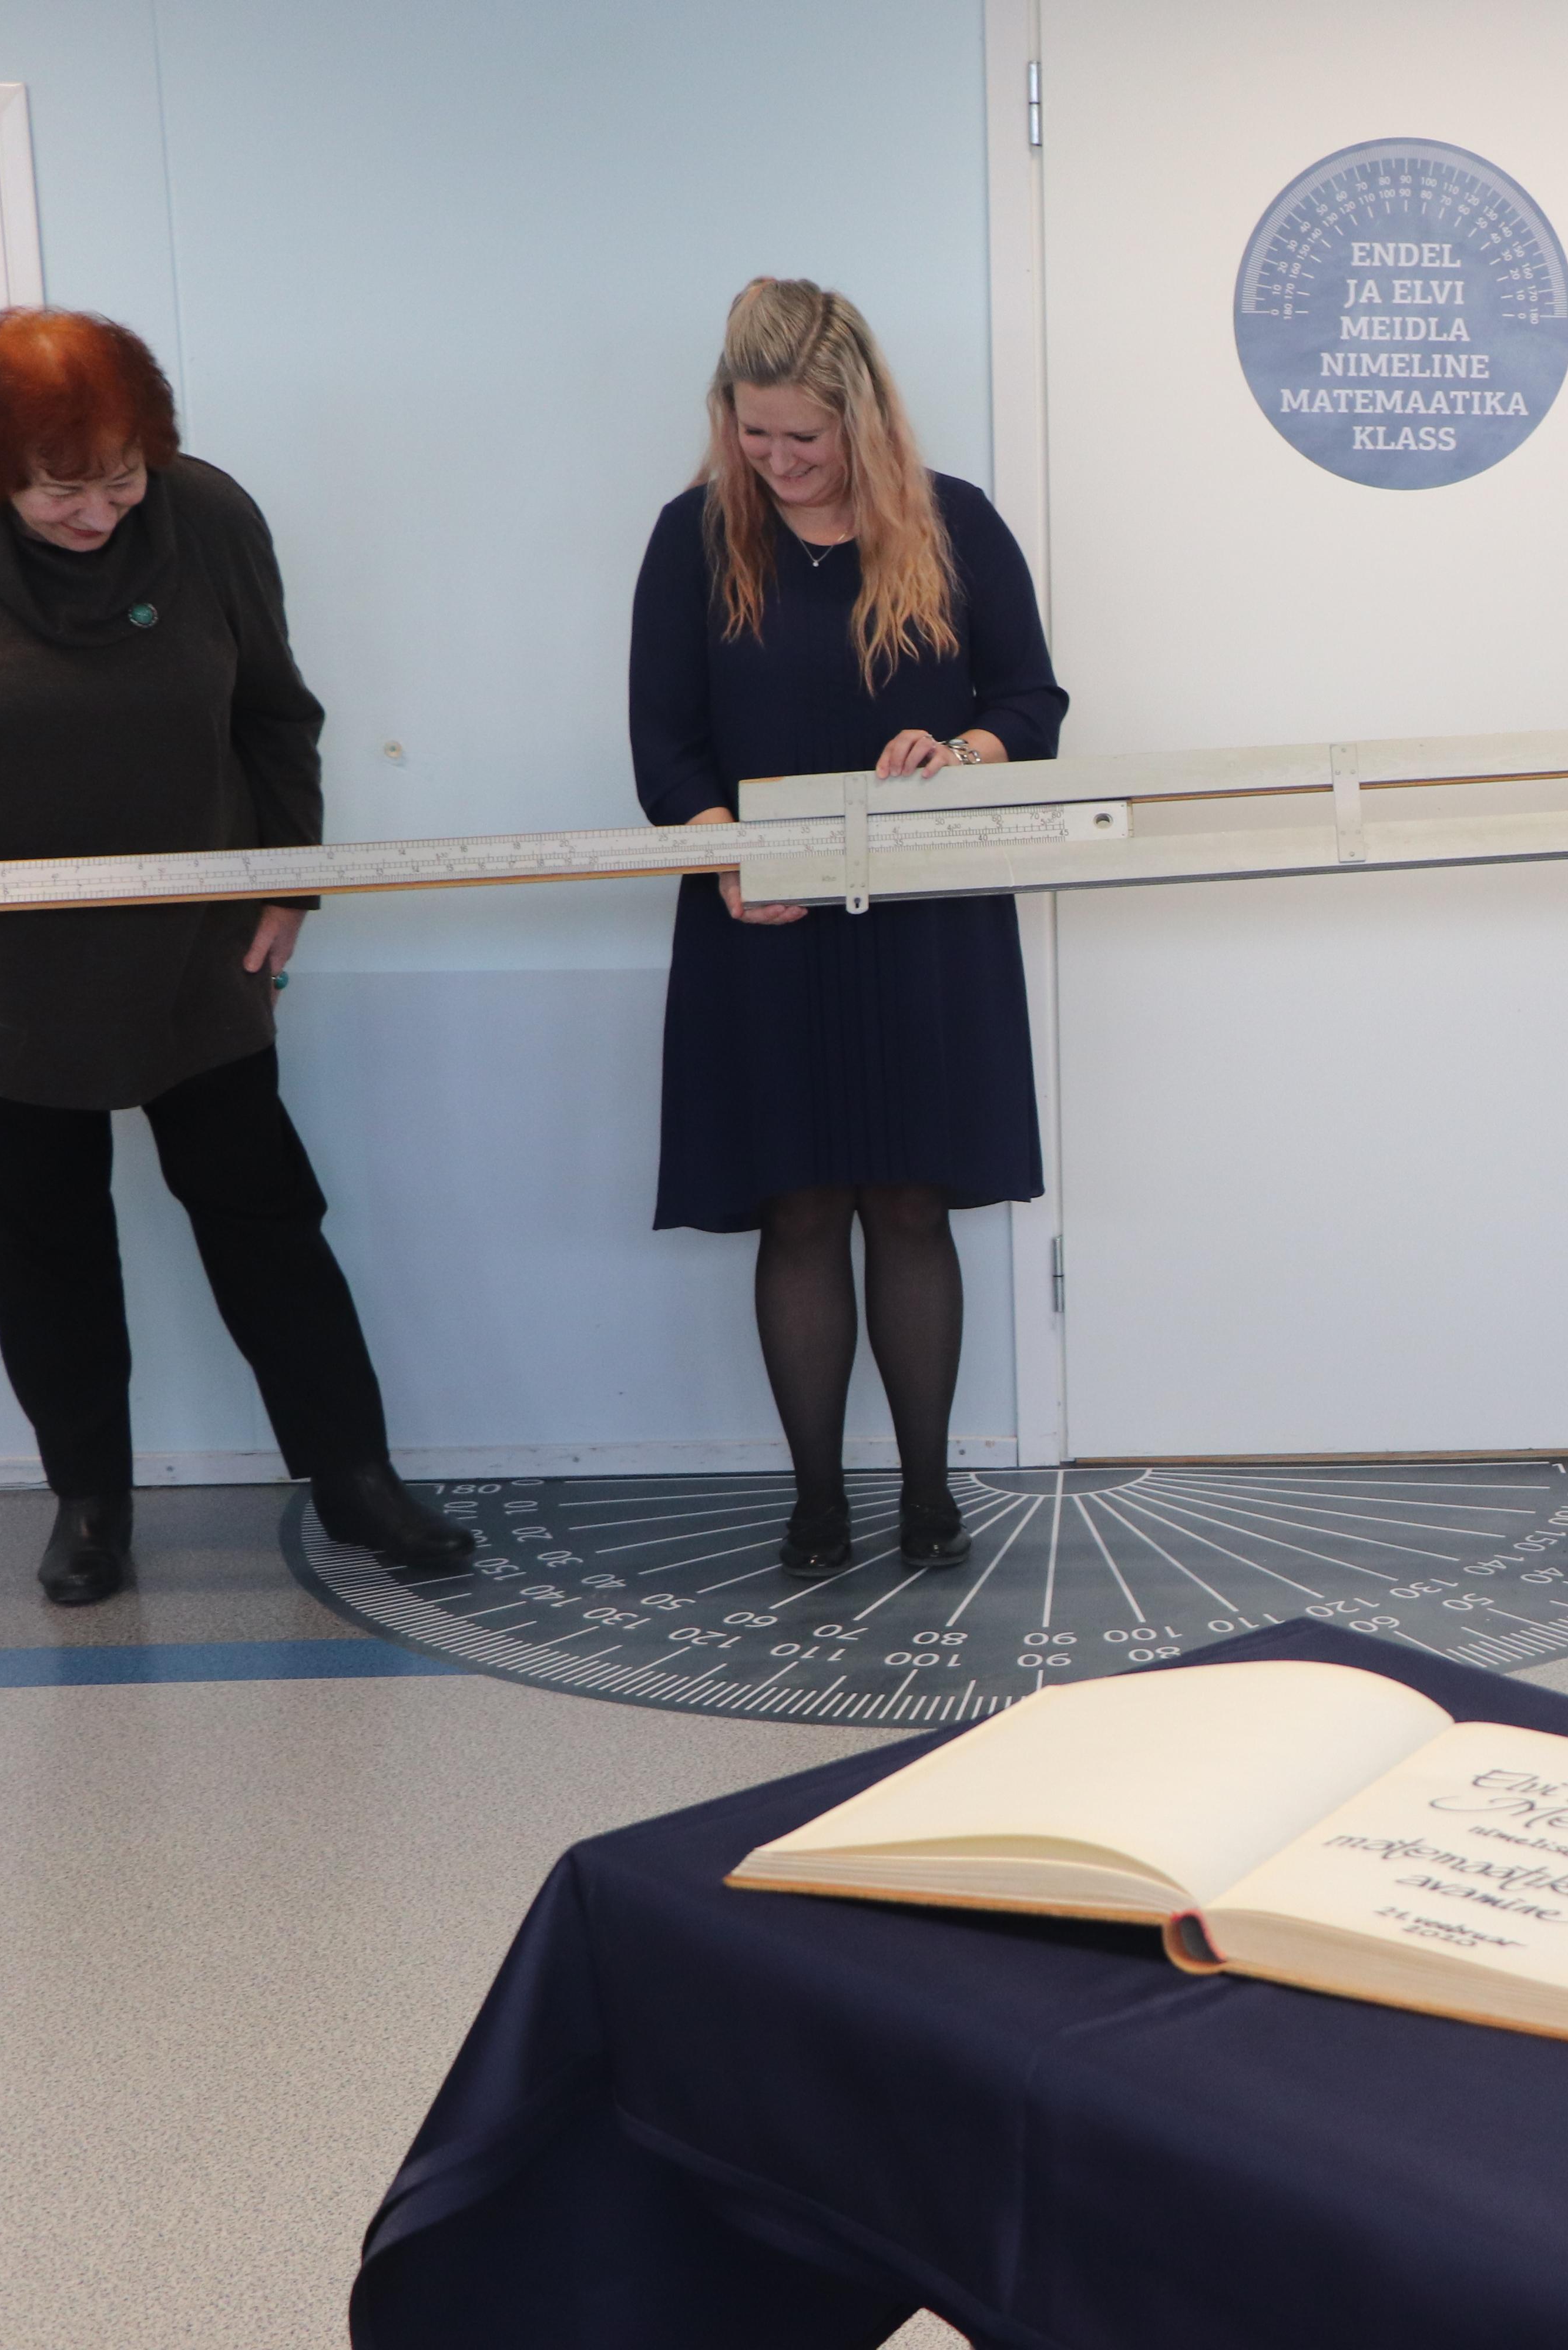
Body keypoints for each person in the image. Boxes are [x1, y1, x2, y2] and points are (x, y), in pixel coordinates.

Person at [0, 309, 475, 1604]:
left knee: (267, 1218)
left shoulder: (208, 515)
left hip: (198, 946)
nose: (99, 513)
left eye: (122, 479)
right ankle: (90, 1502)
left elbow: (274, 711)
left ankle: (356, 1476)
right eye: (61, 492)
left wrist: (288, 879)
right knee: (46, 1238)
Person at [631, 279, 1064, 1579]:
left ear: (862, 417)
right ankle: (817, 1502)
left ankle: (929, 1498)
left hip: (926, 920)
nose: (776, 460)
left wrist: (963, 749)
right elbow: (665, 741)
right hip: (758, 921)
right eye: (753, 432)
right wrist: (723, 851)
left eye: (803, 438)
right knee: (803, 1208)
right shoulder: (694, 537)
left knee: (913, 1201)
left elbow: (1030, 701)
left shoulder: (955, 522)